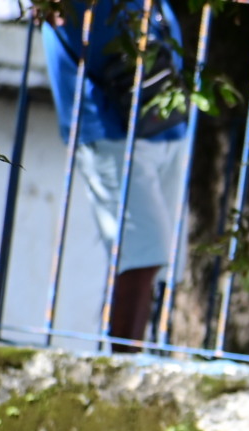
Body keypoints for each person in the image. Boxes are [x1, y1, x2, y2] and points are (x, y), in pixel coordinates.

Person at [42, 0, 189, 350]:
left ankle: (132, 360)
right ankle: (123, 370)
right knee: (143, 256)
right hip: (106, 124)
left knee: (154, 261)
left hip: (164, 122)